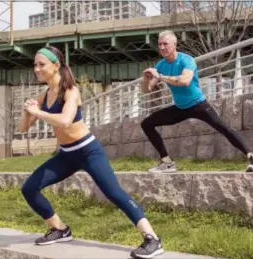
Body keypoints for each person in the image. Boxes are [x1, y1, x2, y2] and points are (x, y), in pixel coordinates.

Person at [18, 46, 164, 259]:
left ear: (56, 65)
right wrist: (27, 112)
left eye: (41, 65)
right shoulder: (44, 95)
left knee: (114, 193)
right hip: (66, 155)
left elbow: (66, 121)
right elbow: (23, 128)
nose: (36, 69)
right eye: (35, 65)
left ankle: (152, 238)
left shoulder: (70, 91)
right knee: (29, 188)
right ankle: (60, 229)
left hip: (88, 151)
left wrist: (37, 113)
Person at [140, 30, 253, 174]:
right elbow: (147, 89)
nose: (162, 47)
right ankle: (166, 162)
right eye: (159, 44)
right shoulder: (161, 65)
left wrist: (160, 76)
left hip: (198, 104)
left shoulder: (186, 60)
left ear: (174, 44)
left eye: (165, 44)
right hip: (180, 108)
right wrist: (145, 79)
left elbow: (185, 81)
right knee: (146, 123)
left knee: (223, 128)